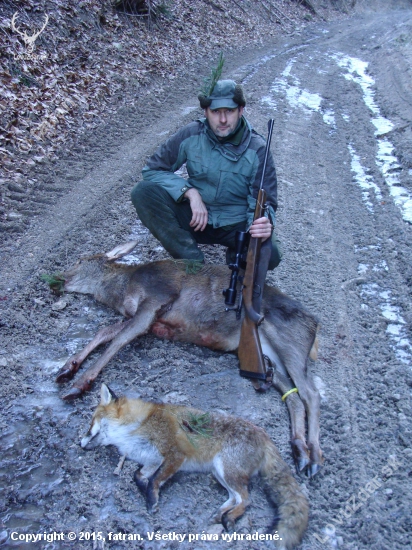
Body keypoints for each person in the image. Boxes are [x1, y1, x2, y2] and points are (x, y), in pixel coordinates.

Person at [131, 79, 281, 269]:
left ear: (241, 110)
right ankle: (191, 260)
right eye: (216, 112)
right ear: (205, 112)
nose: (223, 120)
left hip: (236, 225)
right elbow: (153, 170)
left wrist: (262, 224)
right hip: (197, 219)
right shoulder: (191, 134)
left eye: (230, 111)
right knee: (143, 192)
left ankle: (238, 257)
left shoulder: (258, 149)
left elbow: (264, 203)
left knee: (270, 253)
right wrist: (190, 193)